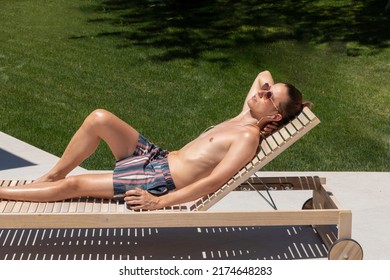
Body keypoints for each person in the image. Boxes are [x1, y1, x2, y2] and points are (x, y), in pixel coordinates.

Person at [0, 70, 311, 210]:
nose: (262, 90)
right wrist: (273, 92)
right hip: (156, 156)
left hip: (157, 179)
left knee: (75, 186)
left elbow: (214, 181)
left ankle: (3, 193)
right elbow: (262, 72)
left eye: (270, 96)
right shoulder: (247, 114)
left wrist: (158, 201)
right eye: (268, 88)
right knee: (99, 118)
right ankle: (52, 174)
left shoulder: (247, 136)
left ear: (274, 117)